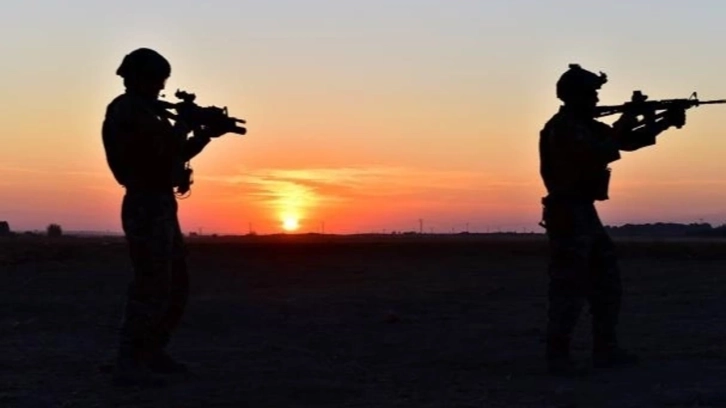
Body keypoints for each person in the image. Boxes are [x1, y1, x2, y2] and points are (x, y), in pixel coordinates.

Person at [538, 63, 687, 376]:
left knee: (606, 283)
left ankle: (605, 350)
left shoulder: (584, 125)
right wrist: (629, 116)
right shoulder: (563, 127)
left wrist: (663, 121)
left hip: (582, 211)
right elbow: (602, 150)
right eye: (590, 93)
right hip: (567, 212)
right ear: (574, 95)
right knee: (568, 286)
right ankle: (558, 356)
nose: (596, 99)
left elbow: (628, 142)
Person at [101, 48, 232, 386]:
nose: (161, 86)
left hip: (159, 201)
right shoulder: (128, 110)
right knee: (151, 283)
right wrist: (184, 125)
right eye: (158, 79)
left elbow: (174, 154)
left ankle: (151, 351)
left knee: (174, 283)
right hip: (144, 201)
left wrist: (203, 135)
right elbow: (155, 150)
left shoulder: (151, 112)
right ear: (138, 78)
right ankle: (130, 361)